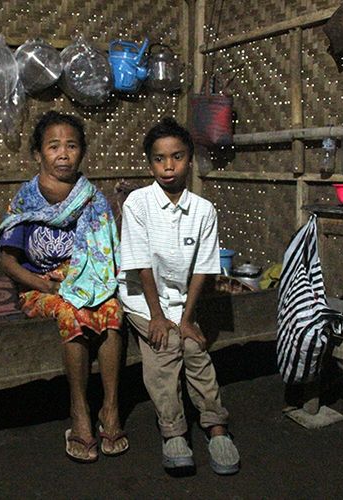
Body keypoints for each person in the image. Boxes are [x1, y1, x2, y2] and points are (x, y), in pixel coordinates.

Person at [0, 111, 128, 463]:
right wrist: (44, 284)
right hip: (41, 289)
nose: (63, 154)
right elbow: (8, 262)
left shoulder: (92, 199)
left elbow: (105, 255)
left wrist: (85, 281)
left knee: (111, 308)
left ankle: (111, 408)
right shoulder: (25, 199)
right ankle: (79, 411)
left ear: (82, 152)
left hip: (86, 282)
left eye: (71, 146)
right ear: (38, 154)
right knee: (73, 310)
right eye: (53, 146)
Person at [118, 117, 240, 475]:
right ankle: (173, 431)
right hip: (144, 299)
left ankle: (216, 426)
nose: (168, 166)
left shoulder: (203, 211)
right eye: (159, 159)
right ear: (149, 163)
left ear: (190, 160)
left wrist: (187, 319)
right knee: (166, 346)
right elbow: (141, 266)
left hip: (180, 301)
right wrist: (158, 317)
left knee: (194, 347)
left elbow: (203, 269)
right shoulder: (137, 204)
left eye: (177, 157)